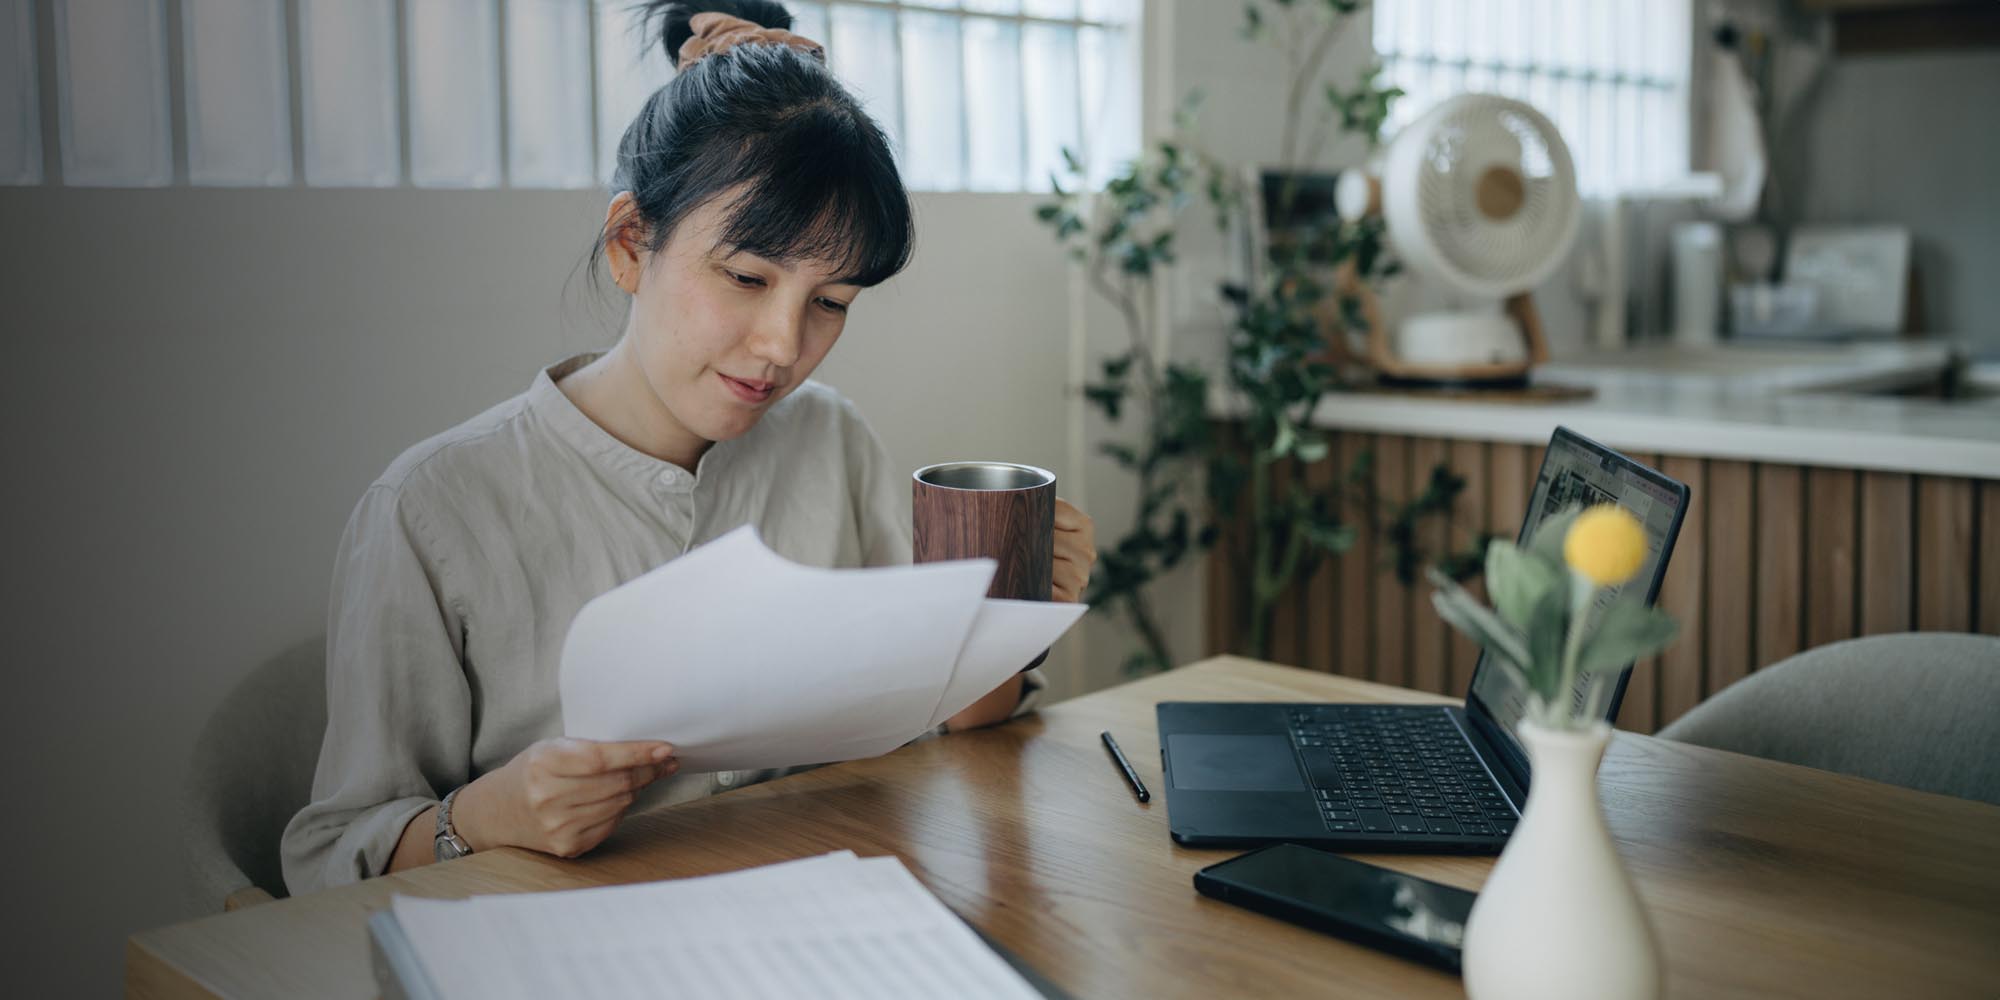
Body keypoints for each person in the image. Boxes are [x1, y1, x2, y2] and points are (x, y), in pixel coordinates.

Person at [281, 0, 1096, 895]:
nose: (784, 345)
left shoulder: (829, 440)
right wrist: (487, 815)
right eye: (747, 277)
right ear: (632, 244)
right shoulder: (435, 507)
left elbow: (936, 717)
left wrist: (1010, 622)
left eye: (832, 303)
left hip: (821, 923)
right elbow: (330, 859)